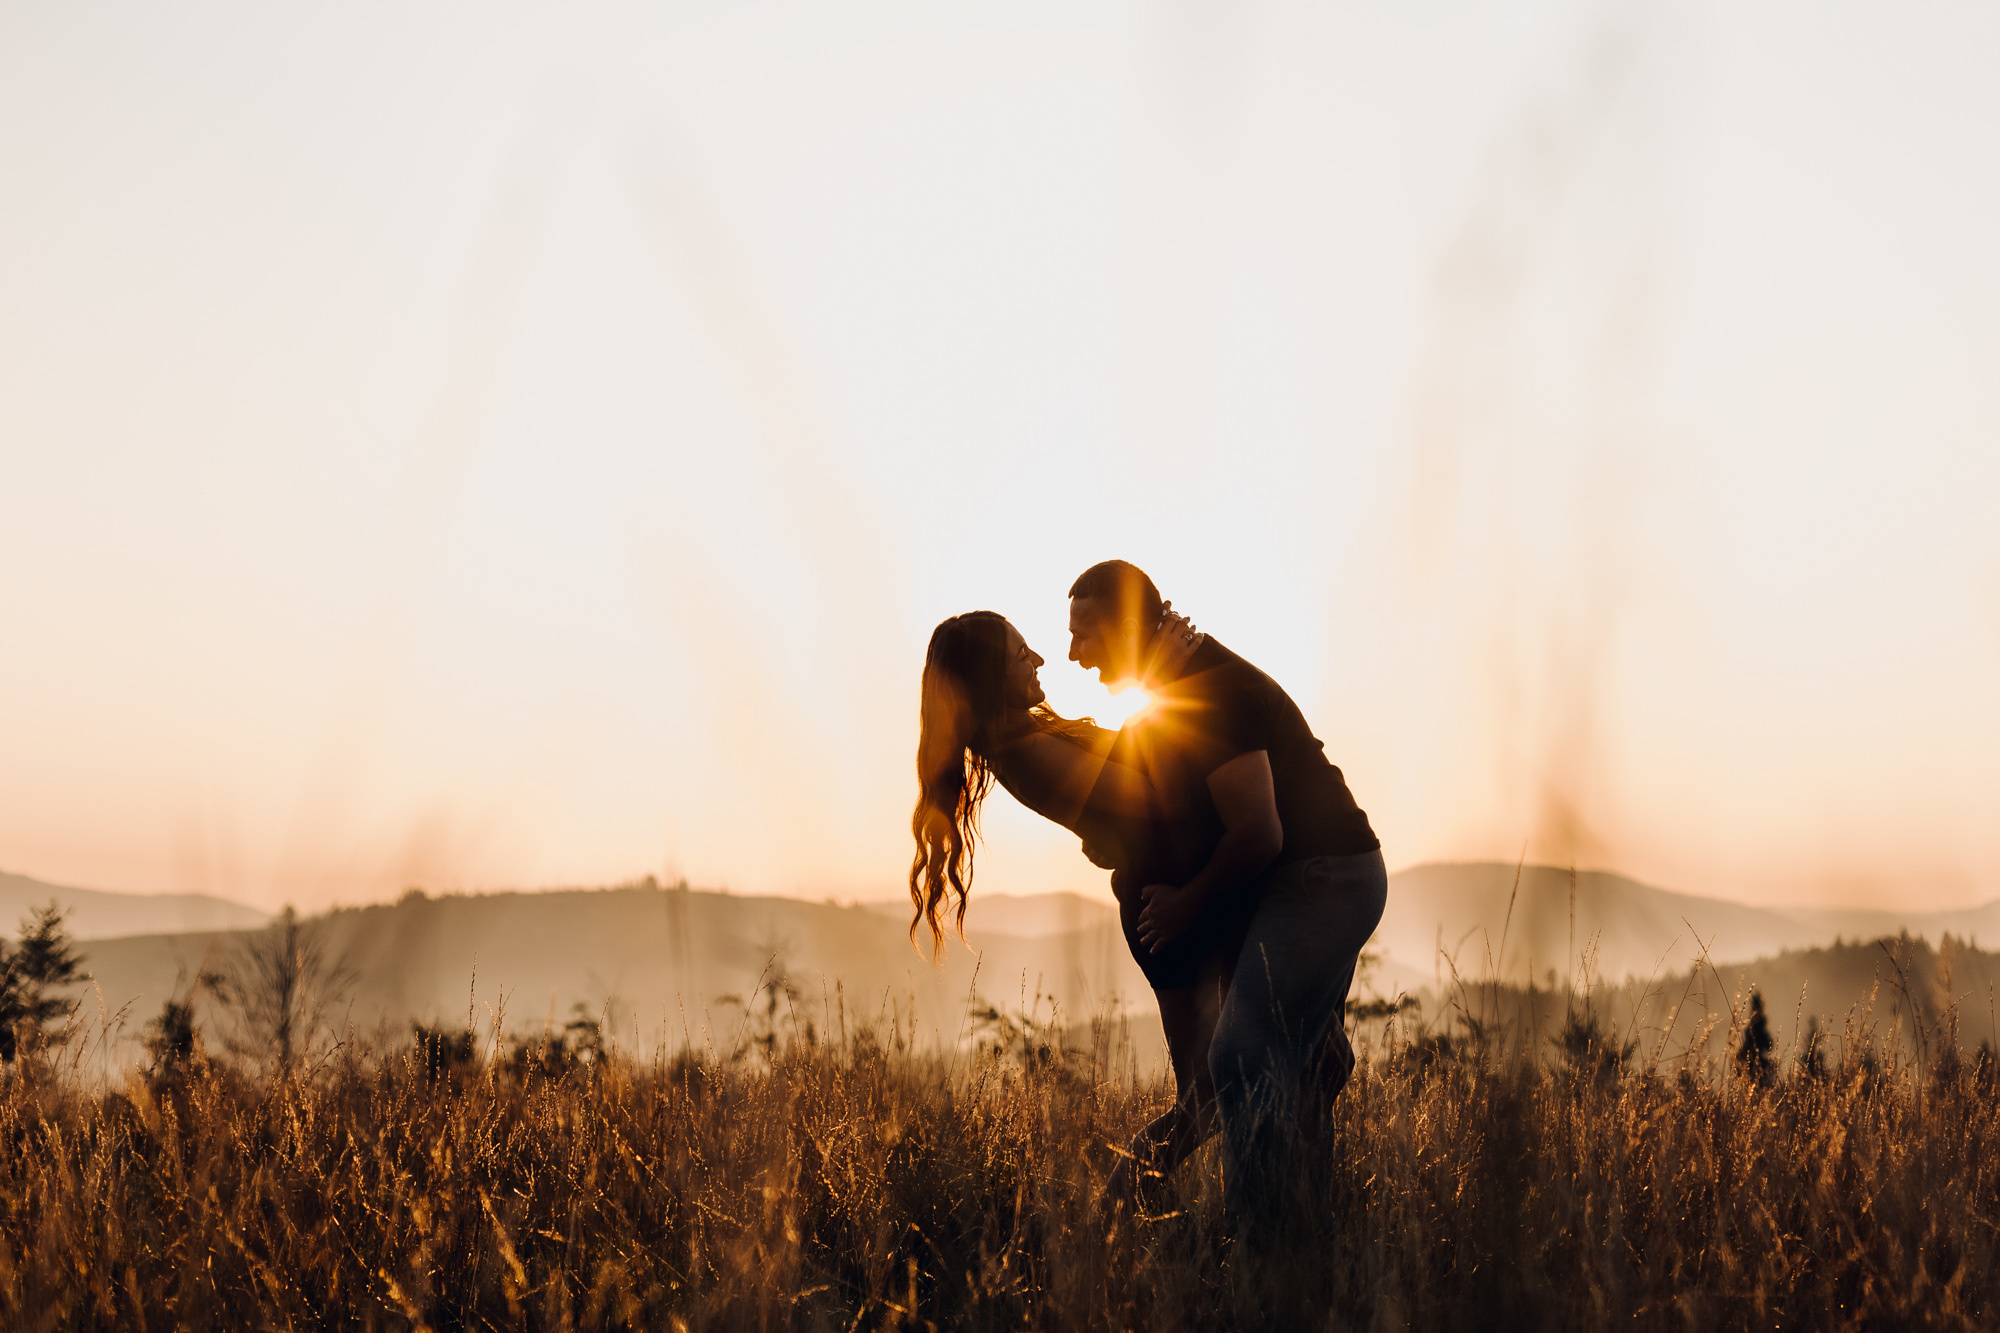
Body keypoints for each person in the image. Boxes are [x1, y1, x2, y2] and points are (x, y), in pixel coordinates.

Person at [1065, 559, 1387, 1238]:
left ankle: (1260, 1250)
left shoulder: (1207, 692)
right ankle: (1305, 1244)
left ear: (1128, 626)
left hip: (1322, 880)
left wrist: (1186, 902)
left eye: (1085, 634)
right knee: (1302, 1068)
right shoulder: (1175, 689)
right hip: (1304, 882)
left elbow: (1259, 834)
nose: (1074, 654)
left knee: (1241, 1055)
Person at [908, 609, 1234, 1200]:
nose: (1038, 660)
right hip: (1168, 912)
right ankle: (1112, 1213)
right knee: (1208, 1098)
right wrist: (1168, 687)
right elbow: (1145, 796)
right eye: (1020, 655)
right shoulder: (1025, 752)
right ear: (989, 679)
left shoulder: (1031, 740)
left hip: (1180, 898)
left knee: (1225, 1088)